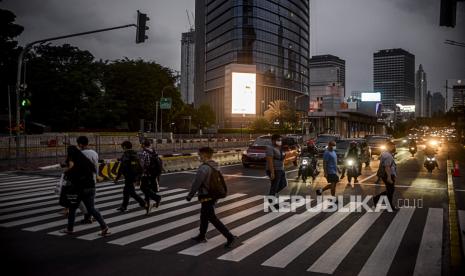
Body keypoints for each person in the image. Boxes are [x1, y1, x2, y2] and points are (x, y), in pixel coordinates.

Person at [186, 147, 236, 248]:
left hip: (206, 195)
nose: (198, 156)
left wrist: (190, 195)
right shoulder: (215, 165)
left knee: (212, 218)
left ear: (204, 155)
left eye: (199, 154)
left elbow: (197, 183)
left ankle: (230, 237)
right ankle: (201, 235)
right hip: (214, 195)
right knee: (204, 216)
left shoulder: (204, 168)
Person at [59, 146, 110, 236]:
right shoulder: (85, 161)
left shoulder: (73, 161)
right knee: (92, 209)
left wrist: (66, 171)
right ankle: (104, 227)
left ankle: (70, 229)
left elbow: (71, 170)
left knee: (72, 209)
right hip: (90, 188)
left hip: (77, 189)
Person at [114, 141, 146, 212]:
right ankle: (124, 206)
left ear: (125, 147)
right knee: (126, 191)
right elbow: (139, 167)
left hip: (129, 177)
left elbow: (122, 167)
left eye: (122, 147)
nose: (122, 148)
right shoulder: (135, 154)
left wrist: (117, 178)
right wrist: (138, 178)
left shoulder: (126, 155)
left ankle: (144, 203)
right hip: (133, 176)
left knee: (131, 193)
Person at [77, 136, 99, 223]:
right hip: (92, 179)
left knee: (78, 199)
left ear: (80, 144)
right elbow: (96, 166)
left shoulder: (80, 154)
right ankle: (89, 217)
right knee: (90, 200)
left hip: (82, 180)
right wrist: (97, 176)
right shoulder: (94, 153)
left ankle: (88, 215)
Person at [373, 141, 397, 211]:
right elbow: (387, 167)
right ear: (389, 147)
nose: (394, 148)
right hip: (387, 175)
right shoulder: (388, 155)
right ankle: (388, 206)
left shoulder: (385, 153)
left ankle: (377, 199)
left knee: (390, 190)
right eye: (393, 146)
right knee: (390, 191)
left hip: (387, 175)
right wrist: (389, 177)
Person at [140, 139, 162, 214]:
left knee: (143, 188)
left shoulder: (144, 153)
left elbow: (142, 165)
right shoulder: (154, 151)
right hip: (154, 174)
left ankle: (157, 198)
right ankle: (147, 207)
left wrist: (139, 175)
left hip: (146, 174)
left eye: (142, 144)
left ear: (143, 145)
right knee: (147, 189)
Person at [266, 134, 288, 205]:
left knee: (283, 184)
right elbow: (270, 160)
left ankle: (271, 195)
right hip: (274, 170)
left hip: (281, 169)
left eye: (280, 140)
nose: (280, 141)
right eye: (278, 140)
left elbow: (282, 157)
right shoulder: (270, 148)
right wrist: (272, 172)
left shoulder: (279, 148)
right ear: (273, 141)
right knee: (275, 186)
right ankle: (272, 200)